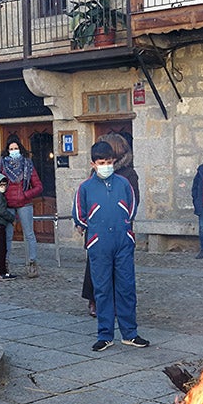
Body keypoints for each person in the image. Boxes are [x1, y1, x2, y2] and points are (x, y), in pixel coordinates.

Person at [73, 141, 149, 352]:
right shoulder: (85, 187)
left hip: (123, 242)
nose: (105, 165)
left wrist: (125, 230)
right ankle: (105, 335)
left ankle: (130, 334)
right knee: (102, 289)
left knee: (126, 288)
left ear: (113, 162)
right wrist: (93, 231)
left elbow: (131, 208)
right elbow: (79, 214)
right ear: (93, 163)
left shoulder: (124, 183)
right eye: (101, 162)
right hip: (99, 245)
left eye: (108, 162)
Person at [81, 134, 140, 316]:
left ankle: (116, 302)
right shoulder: (96, 173)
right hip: (98, 229)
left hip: (118, 228)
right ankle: (95, 300)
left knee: (119, 268)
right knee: (95, 267)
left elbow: (133, 201)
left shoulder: (128, 175)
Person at [0, 136, 43, 279]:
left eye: (16, 148)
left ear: (20, 149)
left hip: (24, 204)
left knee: (29, 235)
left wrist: (25, 194)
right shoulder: (1, 165)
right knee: (7, 236)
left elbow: (38, 186)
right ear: (7, 150)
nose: (13, 151)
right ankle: (5, 265)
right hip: (7, 204)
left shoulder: (27, 165)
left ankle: (32, 264)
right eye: (11, 149)